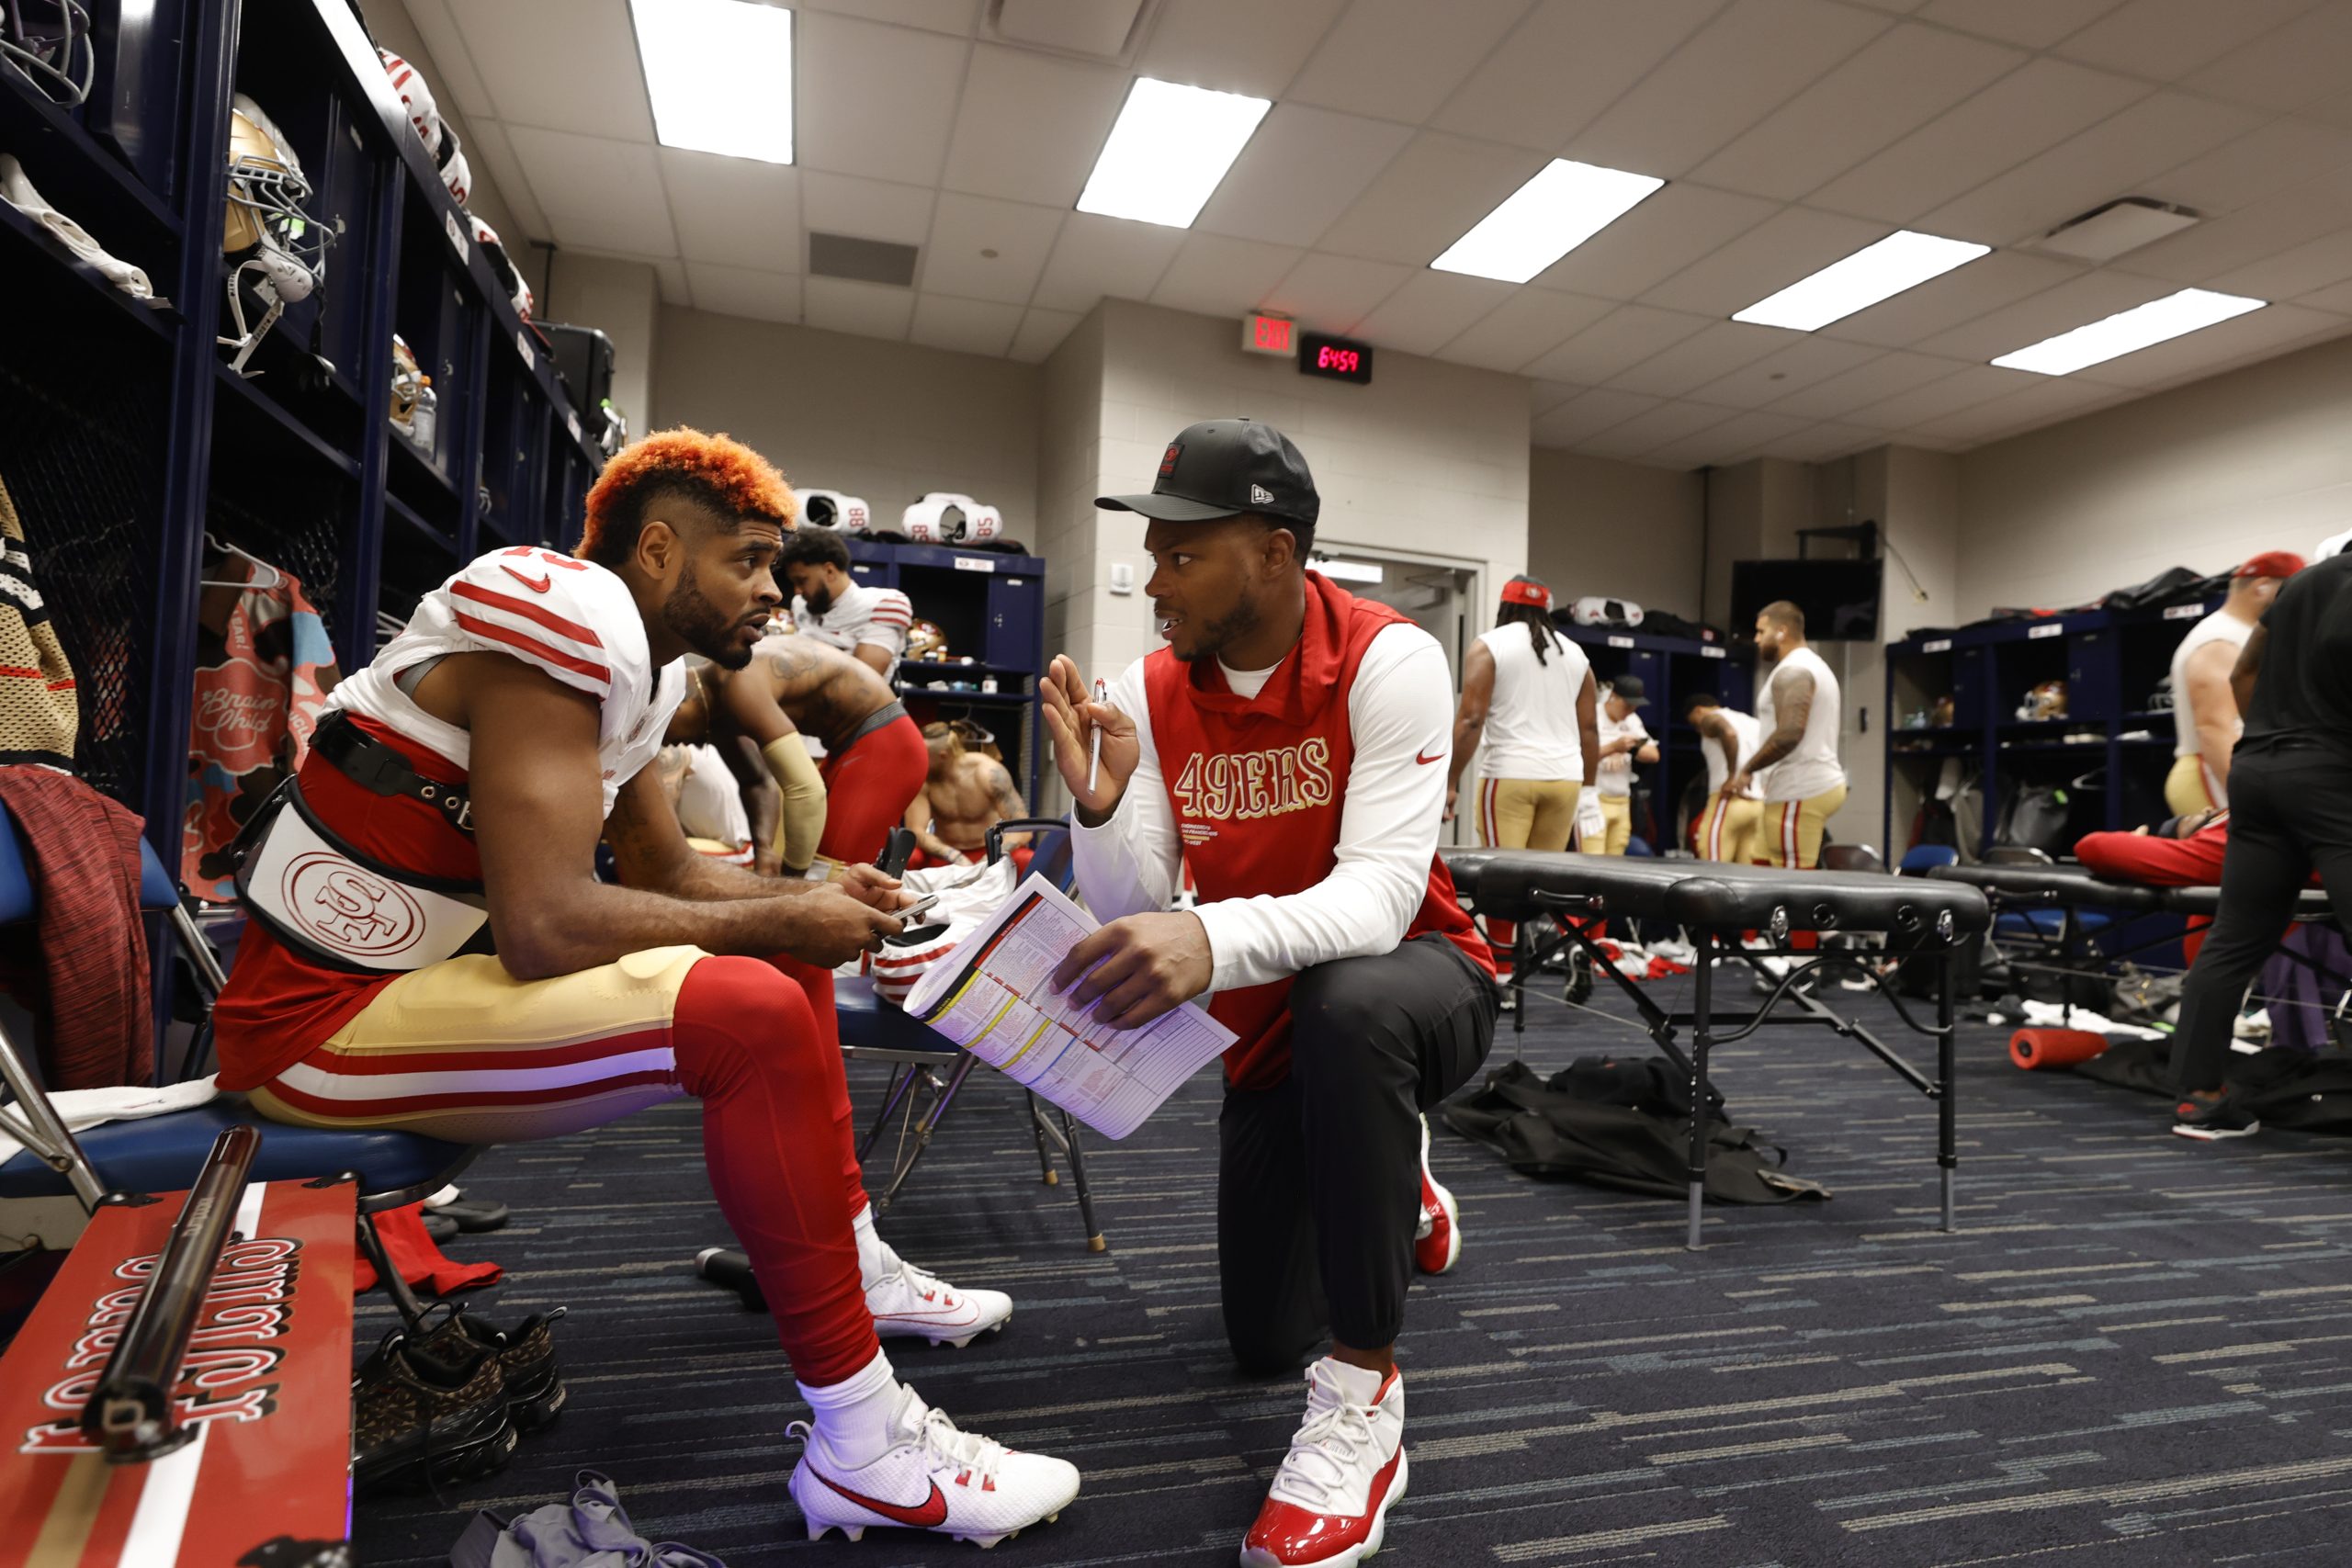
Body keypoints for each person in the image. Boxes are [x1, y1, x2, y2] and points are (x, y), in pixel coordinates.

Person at [207, 429, 1077, 1546]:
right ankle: (866, 1451)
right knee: (749, 1013)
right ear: (658, 551)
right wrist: (783, 913)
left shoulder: (643, 664)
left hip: (408, 984)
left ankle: (855, 1273)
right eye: (746, 562)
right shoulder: (567, 615)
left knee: (773, 970)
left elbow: (665, 874)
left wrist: (806, 892)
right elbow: (546, 923)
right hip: (314, 1027)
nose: (772, 592)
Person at [1036, 418, 1497, 1568]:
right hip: (1271, 1026)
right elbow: (1134, 903)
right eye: (1154, 553)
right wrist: (1098, 810)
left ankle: (1365, 1396)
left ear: (1277, 554)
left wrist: (1206, 935)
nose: (1156, 581)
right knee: (1257, 1341)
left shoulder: (1389, 659)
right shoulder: (1149, 688)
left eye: (1185, 554)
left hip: (1417, 986)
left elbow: (1379, 901)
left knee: (1349, 1007)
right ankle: (1394, 1178)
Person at [2167, 547, 2352, 1141]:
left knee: (2234, 938)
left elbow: (2243, 674)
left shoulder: (2301, 585)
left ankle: (2200, 1099)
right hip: (2331, 773)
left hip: (2259, 768)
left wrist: (2275, 737)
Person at [673, 630, 927, 873]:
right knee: (827, 869)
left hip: (888, 746)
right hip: (855, 745)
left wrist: (792, 885)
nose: (672, 743)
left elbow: (806, 791)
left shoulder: (737, 683)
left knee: (832, 873)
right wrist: (764, 852)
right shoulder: (717, 708)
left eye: (664, 731)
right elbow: (756, 781)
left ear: (678, 705)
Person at [1444, 575, 1599, 974]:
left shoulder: (1490, 644)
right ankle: (1572, 944)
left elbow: (1471, 719)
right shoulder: (1575, 653)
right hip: (1565, 780)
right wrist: (1589, 791)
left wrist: (1449, 781)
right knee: (1544, 878)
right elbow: (1589, 730)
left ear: (1504, 606)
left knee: (1503, 881)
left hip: (1510, 777)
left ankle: (1504, 974)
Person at [2165, 551, 2305, 815]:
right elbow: (2214, 727)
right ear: (2262, 586)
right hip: (2212, 771)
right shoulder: (2219, 639)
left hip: (2234, 768)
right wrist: (2250, 801)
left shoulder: (2243, 634)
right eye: (2293, 591)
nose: (2299, 601)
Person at [1731, 602, 1846, 870]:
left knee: (1791, 883)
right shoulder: (1809, 666)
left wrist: (1747, 769)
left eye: (1761, 632)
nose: (1756, 639)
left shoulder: (1794, 670)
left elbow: (1789, 734)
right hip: (1789, 788)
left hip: (1800, 787)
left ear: (1781, 631)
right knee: (1761, 867)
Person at [777, 526, 914, 682]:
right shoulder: (800, 605)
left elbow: (859, 685)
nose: (797, 591)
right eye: (794, 582)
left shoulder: (882, 606)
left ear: (829, 571)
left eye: (802, 581)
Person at [904, 720, 1029, 867]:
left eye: (923, 756)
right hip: (945, 854)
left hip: (988, 851)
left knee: (1027, 859)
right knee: (911, 858)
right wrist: (954, 856)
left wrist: (990, 857)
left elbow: (1022, 830)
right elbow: (916, 831)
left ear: (943, 756)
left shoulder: (988, 773)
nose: (917, 761)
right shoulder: (924, 780)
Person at [1683, 692, 1765, 864]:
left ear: (1698, 710)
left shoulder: (1709, 718)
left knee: (1713, 867)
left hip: (1728, 800)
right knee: (1747, 873)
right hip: (1757, 803)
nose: (1698, 729)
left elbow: (1729, 733)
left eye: (1694, 724)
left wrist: (1731, 775)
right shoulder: (1752, 723)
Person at [1591, 676, 1658, 856]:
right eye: (1627, 705)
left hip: (1622, 800)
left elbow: (1653, 755)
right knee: (1591, 859)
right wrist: (1613, 748)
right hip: (1595, 799)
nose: (1630, 710)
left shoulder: (1632, 720)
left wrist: (1628, 749)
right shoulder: (1593, 714)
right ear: (1613, 697)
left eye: (1635, 706)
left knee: (1616, 862)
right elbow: (1580, 756)